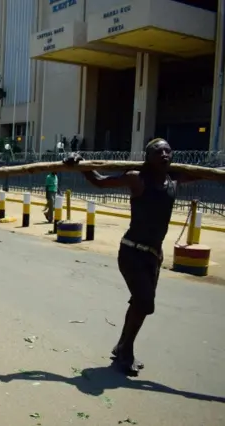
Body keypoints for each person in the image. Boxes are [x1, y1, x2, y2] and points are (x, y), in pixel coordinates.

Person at [63, 138, 199, 375]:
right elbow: (100, 182)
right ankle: (126, 349)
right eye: (159, 152)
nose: (165, 154)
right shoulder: (137, 178)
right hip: (132, 251)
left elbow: (207, 175)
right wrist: (81, 164)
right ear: (148, 157)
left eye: (168, 151)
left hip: (154, 255)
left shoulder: (174, 179)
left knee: (139, 302)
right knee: (145, 303)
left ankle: (123, 347)